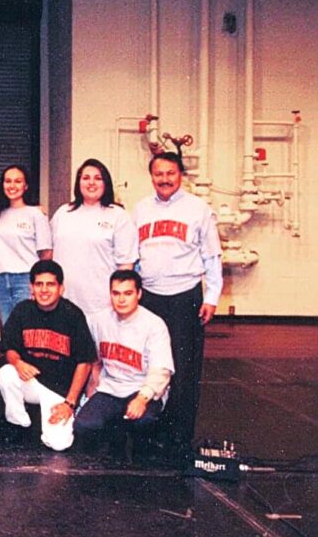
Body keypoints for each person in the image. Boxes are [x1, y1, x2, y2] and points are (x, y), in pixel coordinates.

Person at [133, 152, 222, 462]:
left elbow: (212, 258)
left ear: (181, 174)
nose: (164, 179)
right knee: (151, 364)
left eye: (170, 173)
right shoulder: (141, 209)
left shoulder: (199, 210)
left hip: (185, 297)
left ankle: (178, 436)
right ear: (151, 176)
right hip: (151, 297)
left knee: (183, 370)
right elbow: (133, 257)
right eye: (158, 174)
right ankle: (152, 427)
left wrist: (212, 297)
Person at [0, 260, 96, 451]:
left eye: (50, 284)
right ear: (31, 287)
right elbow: (9, 348)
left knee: (59, 444)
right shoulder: (22, 310)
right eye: (39, 284)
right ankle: (19, 424)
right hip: (31, 382)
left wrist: (69, 403)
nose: (44, 290)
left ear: (61, 288)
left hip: (59, 390)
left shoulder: (73, 315)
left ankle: (47, 419)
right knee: (6, 374)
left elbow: (85, 363)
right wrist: (18, 363)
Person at [74, 270, 174, 455]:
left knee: (143, 421)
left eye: (128, 293)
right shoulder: (98, 320)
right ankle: (116, 431)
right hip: (111, 388)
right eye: (116, 293)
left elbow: (161, 371)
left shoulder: (154, 325)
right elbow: (92, 358)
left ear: (139, 294)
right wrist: (92, 386)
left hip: (142, 389)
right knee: (84, 425)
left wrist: (142, 399)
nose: (121, 300)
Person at [50, 159, 137, 315]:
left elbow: (126, 266)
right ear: (78, 182)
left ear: (106, 183)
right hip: (62, 303)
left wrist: (118, 301)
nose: (91, 183)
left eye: (98, 178)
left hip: (101, 305)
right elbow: (47, 253)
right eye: (86, 178)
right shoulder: (63, 213)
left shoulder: (119, 216)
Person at [0, 164, 52, 325]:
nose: (12, 186)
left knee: (28, 327)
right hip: (1, 280)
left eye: (18, 181)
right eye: (8, 181)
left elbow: (46, 254)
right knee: (8, 327)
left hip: (25, 279)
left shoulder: (36, 214)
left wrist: (38, 283)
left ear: (25, 186)